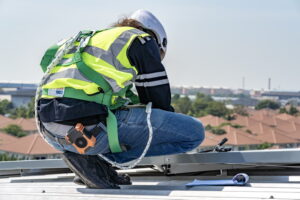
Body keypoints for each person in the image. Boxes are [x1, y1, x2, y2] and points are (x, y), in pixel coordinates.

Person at [37, 9, 205, 189]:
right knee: (193, 133)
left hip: (51, 131)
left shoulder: (87, 40)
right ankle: (104, 159)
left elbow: (46, 65)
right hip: (89, 129)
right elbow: (158, 101)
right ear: (155, 38)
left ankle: (91, 161)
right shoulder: (140, 40)